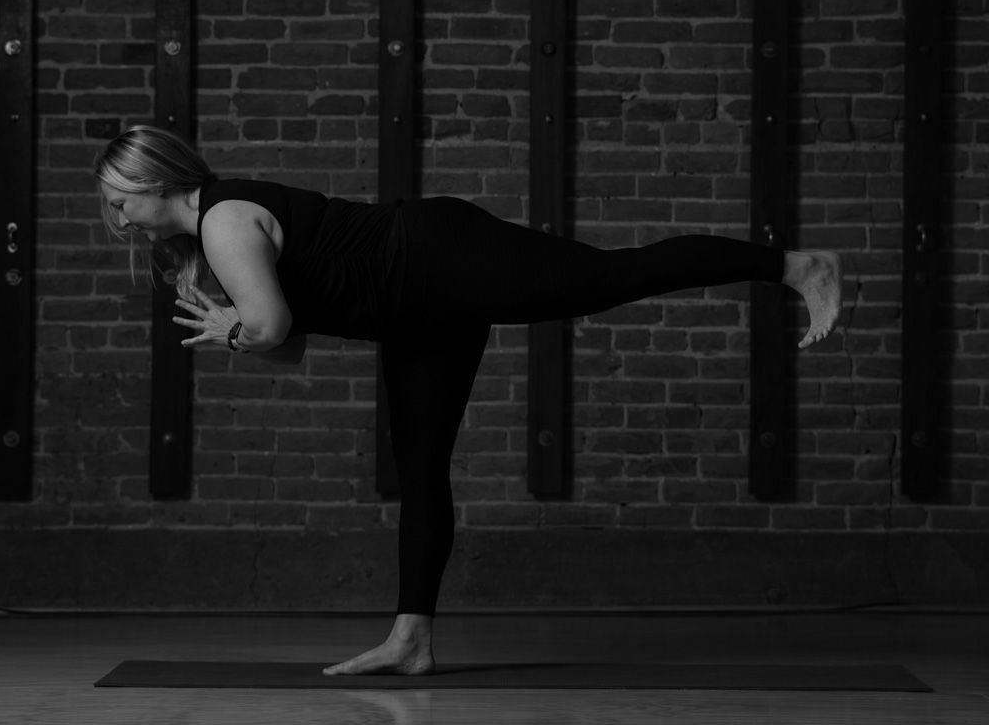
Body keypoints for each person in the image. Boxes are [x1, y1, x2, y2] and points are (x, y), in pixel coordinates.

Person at [94, 125, 842, 676]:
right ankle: (411, 639)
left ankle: (796, 266)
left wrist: (235, 329)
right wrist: (241, 328)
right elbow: (285, 346)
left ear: (154, 182)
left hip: (437, 257)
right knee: (420, 467)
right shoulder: (213, 237)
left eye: (120, 203)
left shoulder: (224, 220)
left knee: (616, 276)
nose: (118, 220)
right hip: (413, 314)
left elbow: (269, 329)